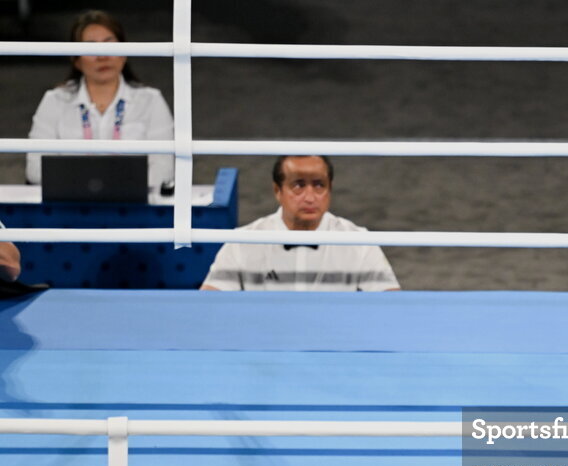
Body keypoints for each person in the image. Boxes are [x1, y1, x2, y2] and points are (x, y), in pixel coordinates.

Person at [201, 155, 400, 292]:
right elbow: (207, 305)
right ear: (277, 190)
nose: (310, 197)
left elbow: (393, 305)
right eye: (298, 186)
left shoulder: (359, 242)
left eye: (319, 185)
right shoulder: (242, 242)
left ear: (330, 189)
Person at [26, 10, 174, 190]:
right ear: (76, 59)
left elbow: (164, 169)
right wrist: (89, 188)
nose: (102, 55)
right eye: (91, 47)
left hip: (133, 209)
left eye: (108, 44)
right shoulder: (54, 101)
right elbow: (34, 169)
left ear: (124, 52)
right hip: (70, 207)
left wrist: (108, 188)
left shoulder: (151, 100)